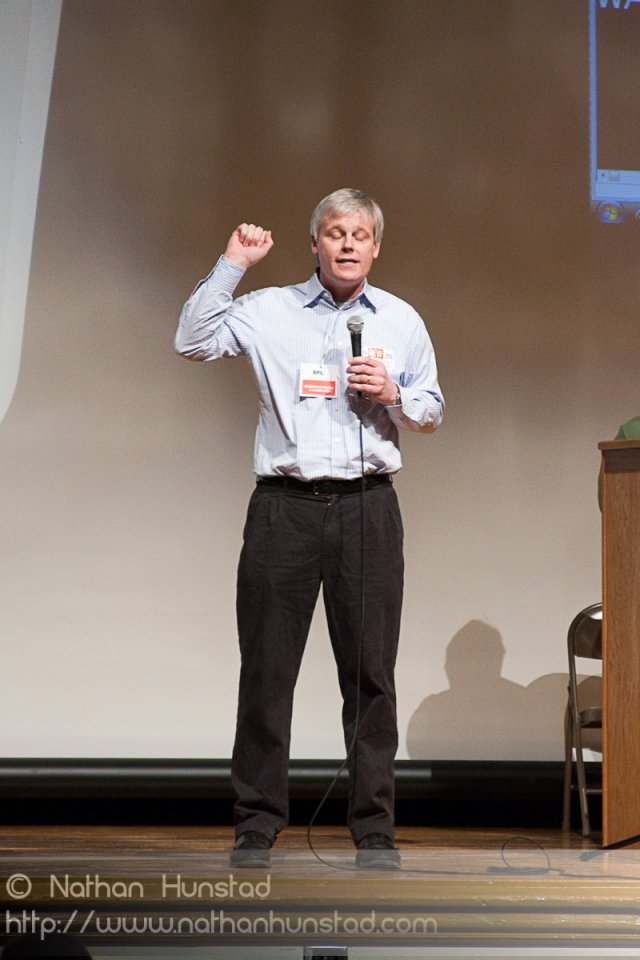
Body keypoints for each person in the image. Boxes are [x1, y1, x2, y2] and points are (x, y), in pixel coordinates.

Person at [175, 188, 444, 869]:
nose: (348, 244)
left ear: (376, 247)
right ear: (315, 245)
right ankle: (257, 823)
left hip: (367, 508)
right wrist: (232, 265)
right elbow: (192, 340)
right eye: (335, 233)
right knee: (266, 670)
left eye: (360, 234)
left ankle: (374, 829)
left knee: (371, 675)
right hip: (284, 509)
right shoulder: (270, 312)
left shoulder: (402, 320)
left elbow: (433, 409)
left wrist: (394, 395)